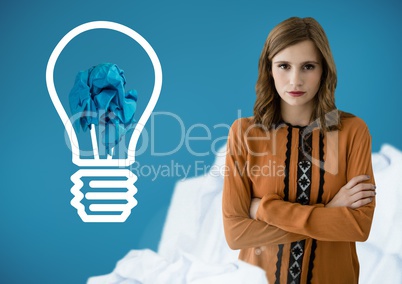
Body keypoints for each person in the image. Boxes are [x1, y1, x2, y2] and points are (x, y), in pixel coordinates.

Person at [222, 17, 376, 284]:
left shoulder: (353, 131)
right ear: (268, 69)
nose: (295, 80)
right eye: (284, 66)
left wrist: (263, 210)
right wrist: (329, 212)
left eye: (308, 66)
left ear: (323, 70)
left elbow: (358, 227)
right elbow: (236, 234)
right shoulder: (245, 133)